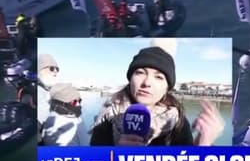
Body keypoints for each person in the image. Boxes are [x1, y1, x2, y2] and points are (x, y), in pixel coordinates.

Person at [90, 46, 225, 146]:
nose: (147, 82)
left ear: (167, 87)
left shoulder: (177, 121)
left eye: (159, 77)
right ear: (130, 79)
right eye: (140, 73)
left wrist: (204, 144)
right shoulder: (107, 117)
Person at [36, 54, 60, 137]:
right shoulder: (38, 91)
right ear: (40, 70)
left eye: (57, 69)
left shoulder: (47, 91)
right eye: (51, 68)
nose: (55, 71)